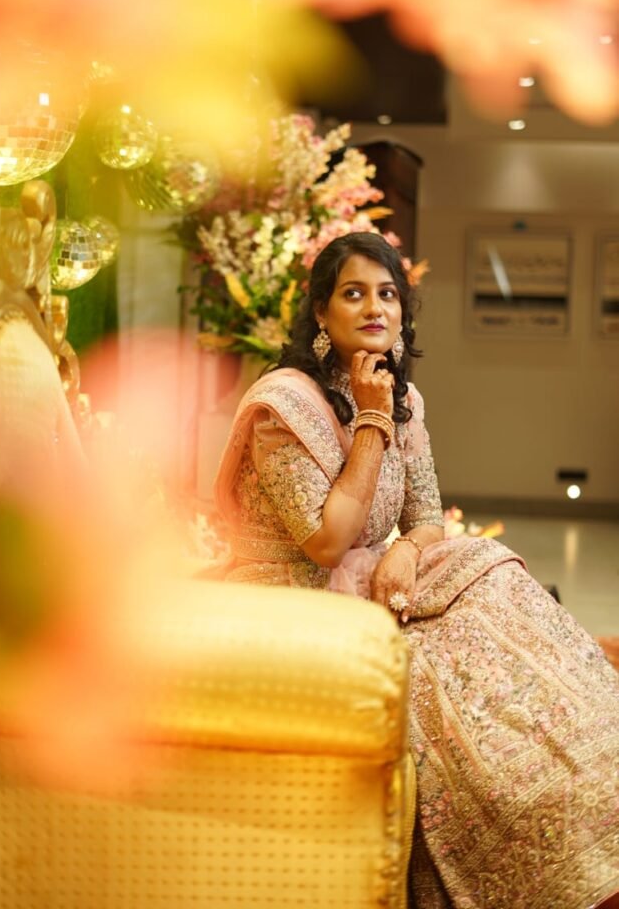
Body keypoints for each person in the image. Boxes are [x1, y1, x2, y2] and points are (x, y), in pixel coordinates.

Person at [214, 231, 619, 909]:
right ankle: (524, 828)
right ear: (320, 312)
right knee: (449, 678)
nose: (375, 308)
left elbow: (426, 516)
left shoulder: (400, 395)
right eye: (353, 293)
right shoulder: (283, 407)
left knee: (491, 577)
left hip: (375, 578)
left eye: (388, 294)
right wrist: (371, 421)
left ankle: (591, 769)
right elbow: (327, 542)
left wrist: (404, 549)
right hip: (293, 596)